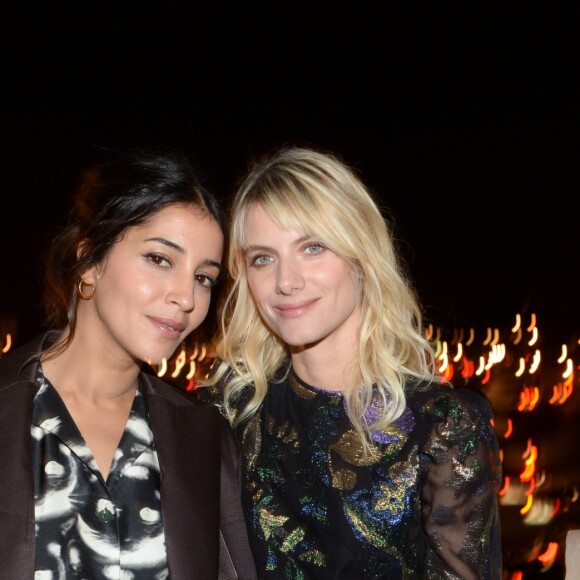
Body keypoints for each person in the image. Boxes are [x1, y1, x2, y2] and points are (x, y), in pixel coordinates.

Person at [204, 146, 502, 579]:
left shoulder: (442, 426)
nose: (286, 282)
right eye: (263, 258)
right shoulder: (234, 408)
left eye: (313, 247)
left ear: (361, 258)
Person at [0, 146, 256, 579]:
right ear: (90, 263)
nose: (187, 298)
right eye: (160, 259)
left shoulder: (207, 440)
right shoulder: (9, 408)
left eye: (203, 278)